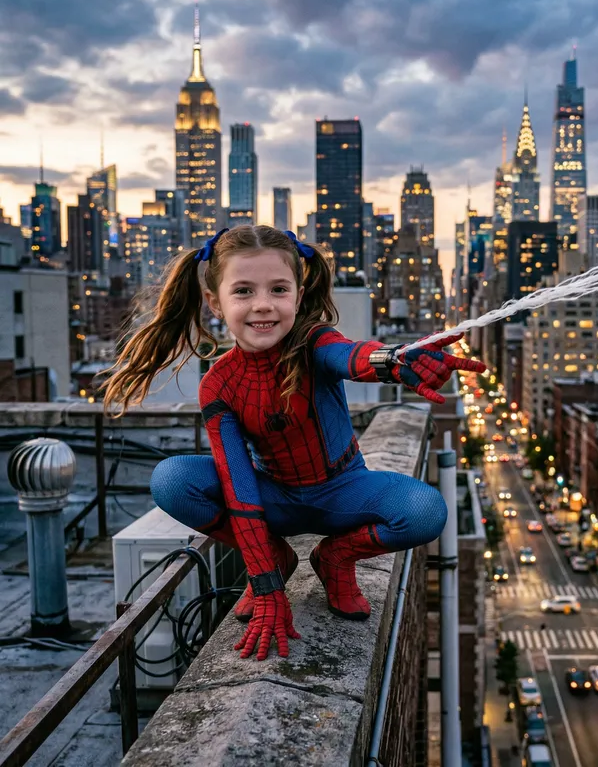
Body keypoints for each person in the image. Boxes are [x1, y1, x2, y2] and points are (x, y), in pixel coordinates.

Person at [101, 225, 486, 661]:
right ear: (215, 302)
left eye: (278, 289)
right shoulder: (219, 384)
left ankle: (335, 558)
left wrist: (394, 361)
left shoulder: (314, 341)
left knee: (425, 511)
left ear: (298, 296)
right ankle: (281, 557)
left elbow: (349, 355)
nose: (263, 305)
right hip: (275, 497)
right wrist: (266, 584)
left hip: (343, 491)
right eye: (243, 291)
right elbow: (238, 488)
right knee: (172, 479)